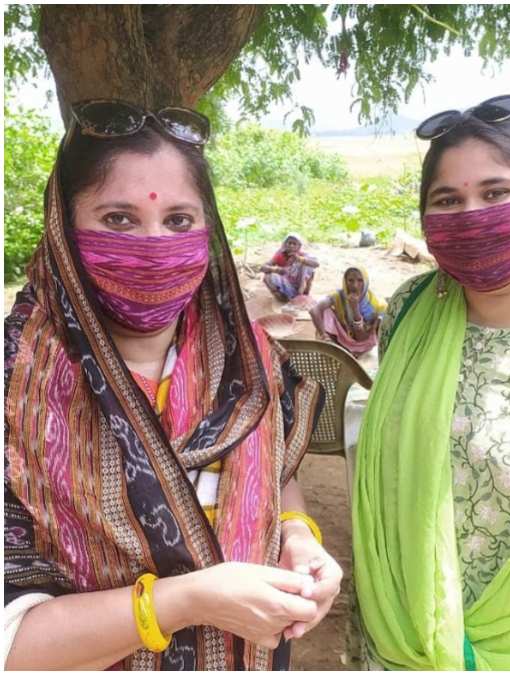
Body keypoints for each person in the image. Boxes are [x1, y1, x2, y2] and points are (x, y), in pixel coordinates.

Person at [3, 99, 341, 670]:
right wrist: (185, 601)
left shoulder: (249, 360)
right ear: (64, 228)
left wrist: (297, 535)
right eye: (118, 219)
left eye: (179, 220)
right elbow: (13, 645)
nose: (154, 244)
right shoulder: (17, 385)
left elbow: (278, 471)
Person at [352, 94, 510, 670]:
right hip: (401, 624)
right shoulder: (410, 310)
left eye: (494, 194)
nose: (471, 216)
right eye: (448, 200)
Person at [310, 266, 385, 357]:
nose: (355, 285)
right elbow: (314, 310)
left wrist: (355, 309)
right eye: (350, 280)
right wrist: (323, 335)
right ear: (345, 281)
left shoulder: (372, 305)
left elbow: (361, 337)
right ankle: (332, 345)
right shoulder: (339, 295)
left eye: (360, 281)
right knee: (326, 311)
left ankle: (351, 351)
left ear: (365, 282)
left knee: (380, 321)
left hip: (362, 342)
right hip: (341, 336)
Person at [263, 233, 319, 302]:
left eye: (294, 244)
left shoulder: (303, 255)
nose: (291, 246)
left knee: (306, 265)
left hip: (300, 287)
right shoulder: (280, 254)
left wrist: (300, 259)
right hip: (287, 283)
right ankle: (283, 298)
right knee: (267, 277)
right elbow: (264, 267)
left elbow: (316, 264)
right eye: (289, 243)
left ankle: (301, 296)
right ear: (285, 244)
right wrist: (275, 269)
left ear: (299, 246)